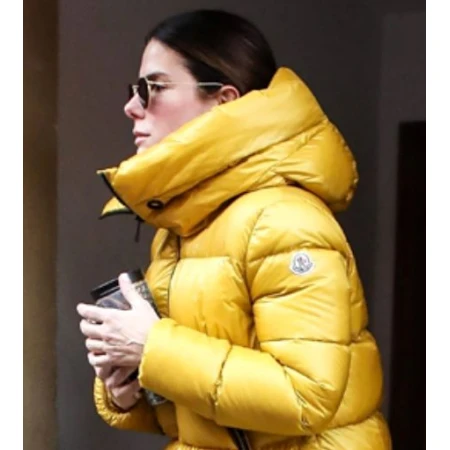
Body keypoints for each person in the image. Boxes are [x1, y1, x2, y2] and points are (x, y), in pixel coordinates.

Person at [77, 9, 392, 450]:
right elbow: (216, 412)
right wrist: (130, 388)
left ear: (224, 101)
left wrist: (153, 348)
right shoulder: (182, 225)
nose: (132, 106)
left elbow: (306, 397)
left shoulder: (284, 220)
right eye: (135, 90)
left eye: (154, 88)